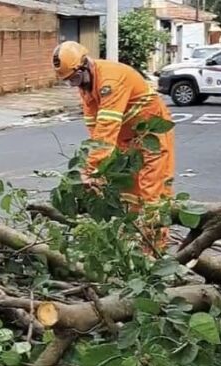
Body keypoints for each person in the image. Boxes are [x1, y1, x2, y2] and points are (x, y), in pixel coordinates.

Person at [52, 41, 175, 249]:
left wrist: (91, 170)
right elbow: (96, 131)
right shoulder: (87, 86)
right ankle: (131, 246)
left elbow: (107, 126)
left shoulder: (110, 80)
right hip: (125, 141)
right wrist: (98, 170)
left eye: (74, 78)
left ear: (85, 65)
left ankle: (155, 250)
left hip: (151, 136)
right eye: (69, 81)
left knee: (152, 195)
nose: (74, 84)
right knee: (127, 193)